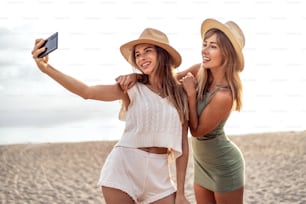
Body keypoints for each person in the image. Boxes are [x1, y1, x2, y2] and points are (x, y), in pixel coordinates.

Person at [31, 28, 190, 204]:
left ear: (163, 55)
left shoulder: (181, 94)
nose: (141, 58)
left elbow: (183, 143)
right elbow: (87, 91)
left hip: (160, 179)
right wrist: (46, 68)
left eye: (148, 51)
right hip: (122, 169)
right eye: (137, 54)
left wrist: (181, 193)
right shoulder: (130, 87)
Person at [116, 18, 246, 204]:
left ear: (227, 53)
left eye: (213, 46)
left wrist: (191, 95)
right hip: (202, 164)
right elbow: (163, 80)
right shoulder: (198, 71)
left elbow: (196, 131)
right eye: (205, 44)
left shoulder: (224, 95)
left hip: (224, 165)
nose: (205, 50)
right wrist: (137, 76)